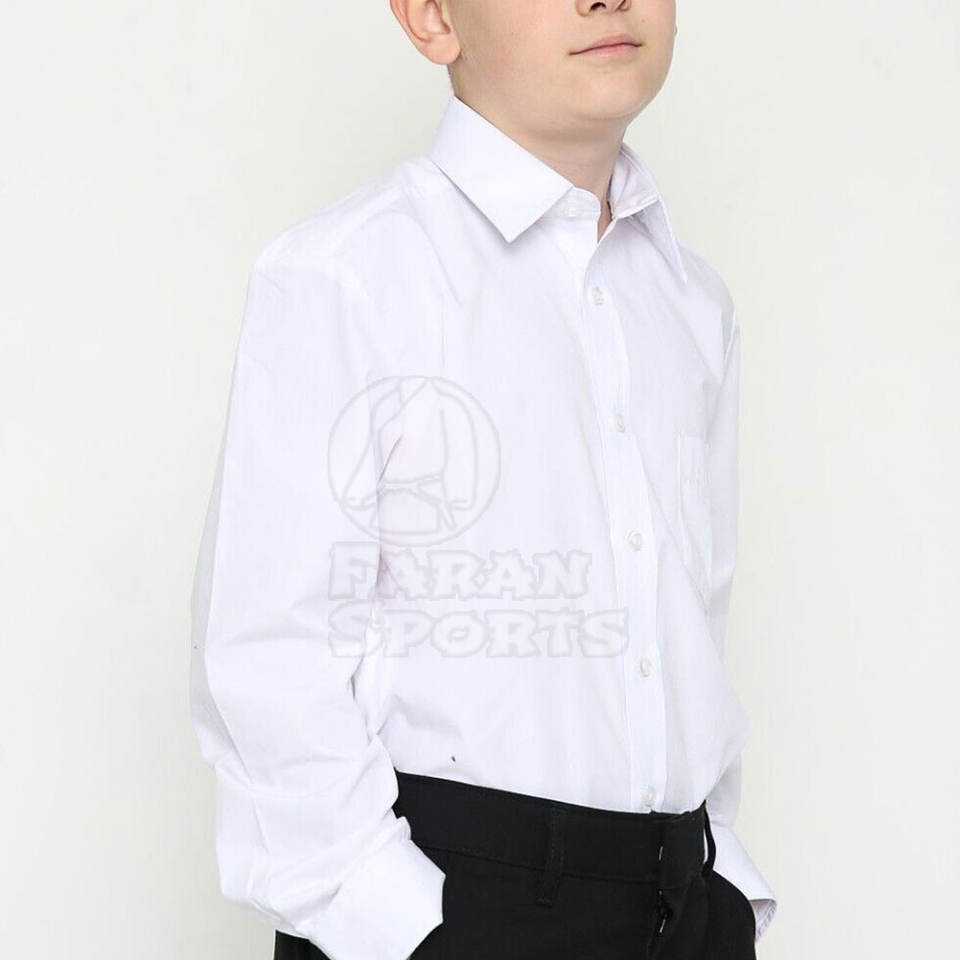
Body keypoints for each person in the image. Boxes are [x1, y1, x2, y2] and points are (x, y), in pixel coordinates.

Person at [188, 2, 778, 958]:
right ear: (432, 18)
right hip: (452, 898)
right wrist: (400, 922)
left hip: (675, 897)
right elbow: (268, 649)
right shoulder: (351, 275)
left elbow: (689, 612)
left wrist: (724, 885)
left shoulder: (690, 300)